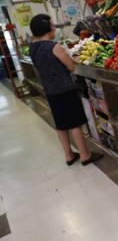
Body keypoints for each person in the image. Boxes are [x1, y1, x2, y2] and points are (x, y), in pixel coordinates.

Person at [29, 14, 103, 166]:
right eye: (52, 25)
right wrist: (69, 57)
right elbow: (71, 66)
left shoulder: (33, 48)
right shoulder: (53, 46)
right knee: (75, 122)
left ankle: (69, 156)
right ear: (47, 28)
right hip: (65, 89)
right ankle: (85, 155)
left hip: (50, 90)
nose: (54, 27)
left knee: (61, 124)